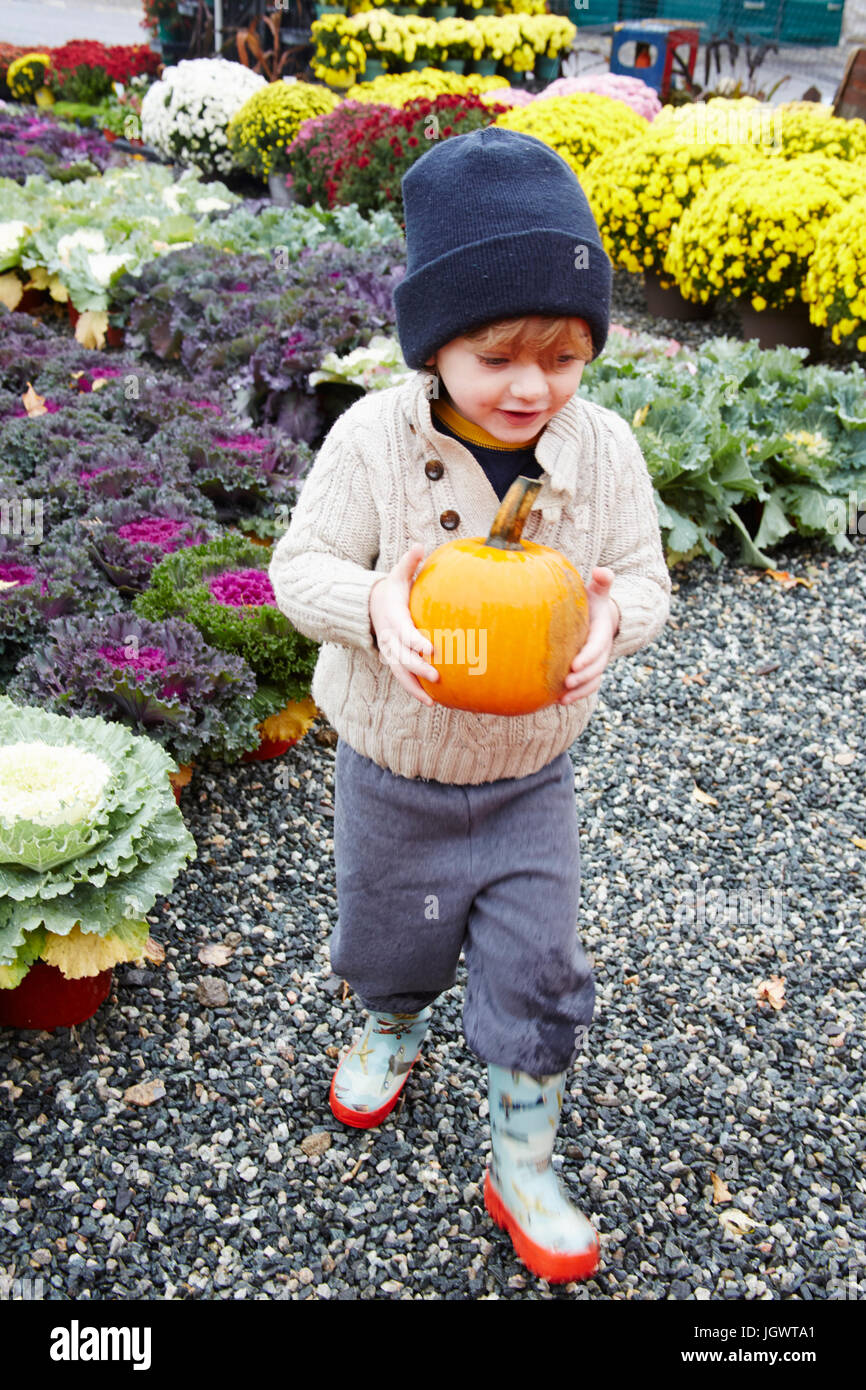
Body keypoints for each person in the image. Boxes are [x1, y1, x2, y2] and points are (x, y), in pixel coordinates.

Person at [269, 127, 671, 1285]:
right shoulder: (369, 442)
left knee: (539, 966)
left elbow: (643, 579)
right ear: (432, 344)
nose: (531, 387)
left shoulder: (599, 452)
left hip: (528, 778)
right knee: (389, 940)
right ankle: (390, 1022)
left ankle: (522, 1159)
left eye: (561, 355)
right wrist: (371, 607)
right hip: (391, 774)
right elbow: (298, 572)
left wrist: (611, 621)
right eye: (497, 356)